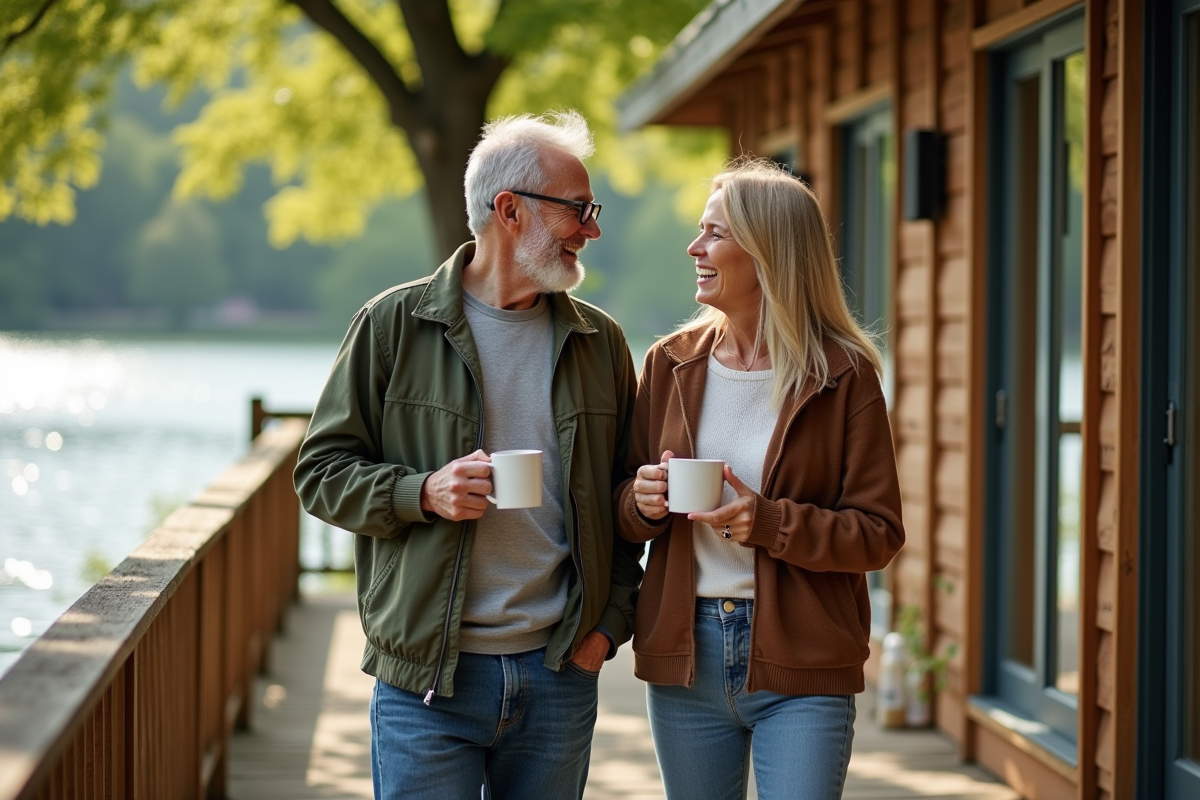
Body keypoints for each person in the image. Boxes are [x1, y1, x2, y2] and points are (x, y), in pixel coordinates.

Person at [294, 110, 643, 800]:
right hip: (427, 680)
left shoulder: (600, 342)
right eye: (579, 209)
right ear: (509, 210)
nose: (592, 229)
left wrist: (606, 629)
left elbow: (623, 498)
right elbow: (319, 474)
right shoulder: (393, 325)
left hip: (558, 672)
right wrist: (422, 493)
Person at [615, 158, 905, 800]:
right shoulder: (670, 363)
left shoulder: (843, 374)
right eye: (700, 231)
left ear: (767, 251)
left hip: (803, 662)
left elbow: (878, 534)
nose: (695, 248)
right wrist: (642, 501)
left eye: (714, 233)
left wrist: (768, 523)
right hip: (686, 658)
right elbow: (623, 506)